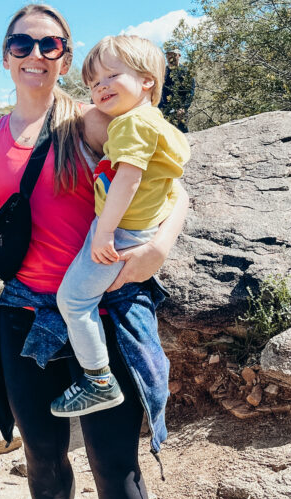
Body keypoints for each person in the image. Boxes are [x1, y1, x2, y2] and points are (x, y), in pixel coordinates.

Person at [0, 4, 188, 499]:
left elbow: (172, 179)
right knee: (40, 454)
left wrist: (162, 242)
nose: (35, 52)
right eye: (21, 42)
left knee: (112, 461)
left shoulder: (90, 118)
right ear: (4, 54)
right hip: (26, 314)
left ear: (65, 55)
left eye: (50, 43)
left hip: (103, 305)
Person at [51, 35, 190, 418]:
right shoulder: (156, 124)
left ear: (148, 80)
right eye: (94, 83)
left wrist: (104, 232)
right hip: (133, 228)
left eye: (112, 75)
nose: (101, 87)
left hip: (120, 230)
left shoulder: (131, 125)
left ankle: (98, 381)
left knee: (74, 301)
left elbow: (128, 179)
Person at [159, 48, 195, 132]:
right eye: (168, 55)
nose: (171, 57)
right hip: (164, 110)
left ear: (179, 55)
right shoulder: (162, 73)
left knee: (183, 133)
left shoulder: (186, 72)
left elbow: (190, 92)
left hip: (180, 110)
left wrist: (183, 108)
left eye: (174, 54)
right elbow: (158, 91)